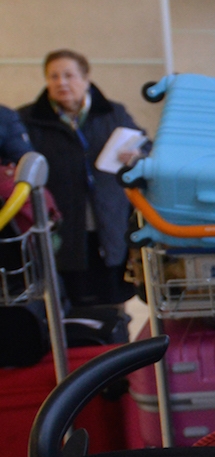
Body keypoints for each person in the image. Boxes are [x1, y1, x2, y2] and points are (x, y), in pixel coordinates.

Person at [19, 49, 141, 306]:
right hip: (62, 225)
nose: (61, 82)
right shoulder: (29, 119)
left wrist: (137, 154)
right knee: (70, 301)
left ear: (86, 79)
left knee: (113, 299)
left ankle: (115, 340)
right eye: (53, 76)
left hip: (108, 221)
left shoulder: (113, 113)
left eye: (69, 75)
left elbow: (145, 146)